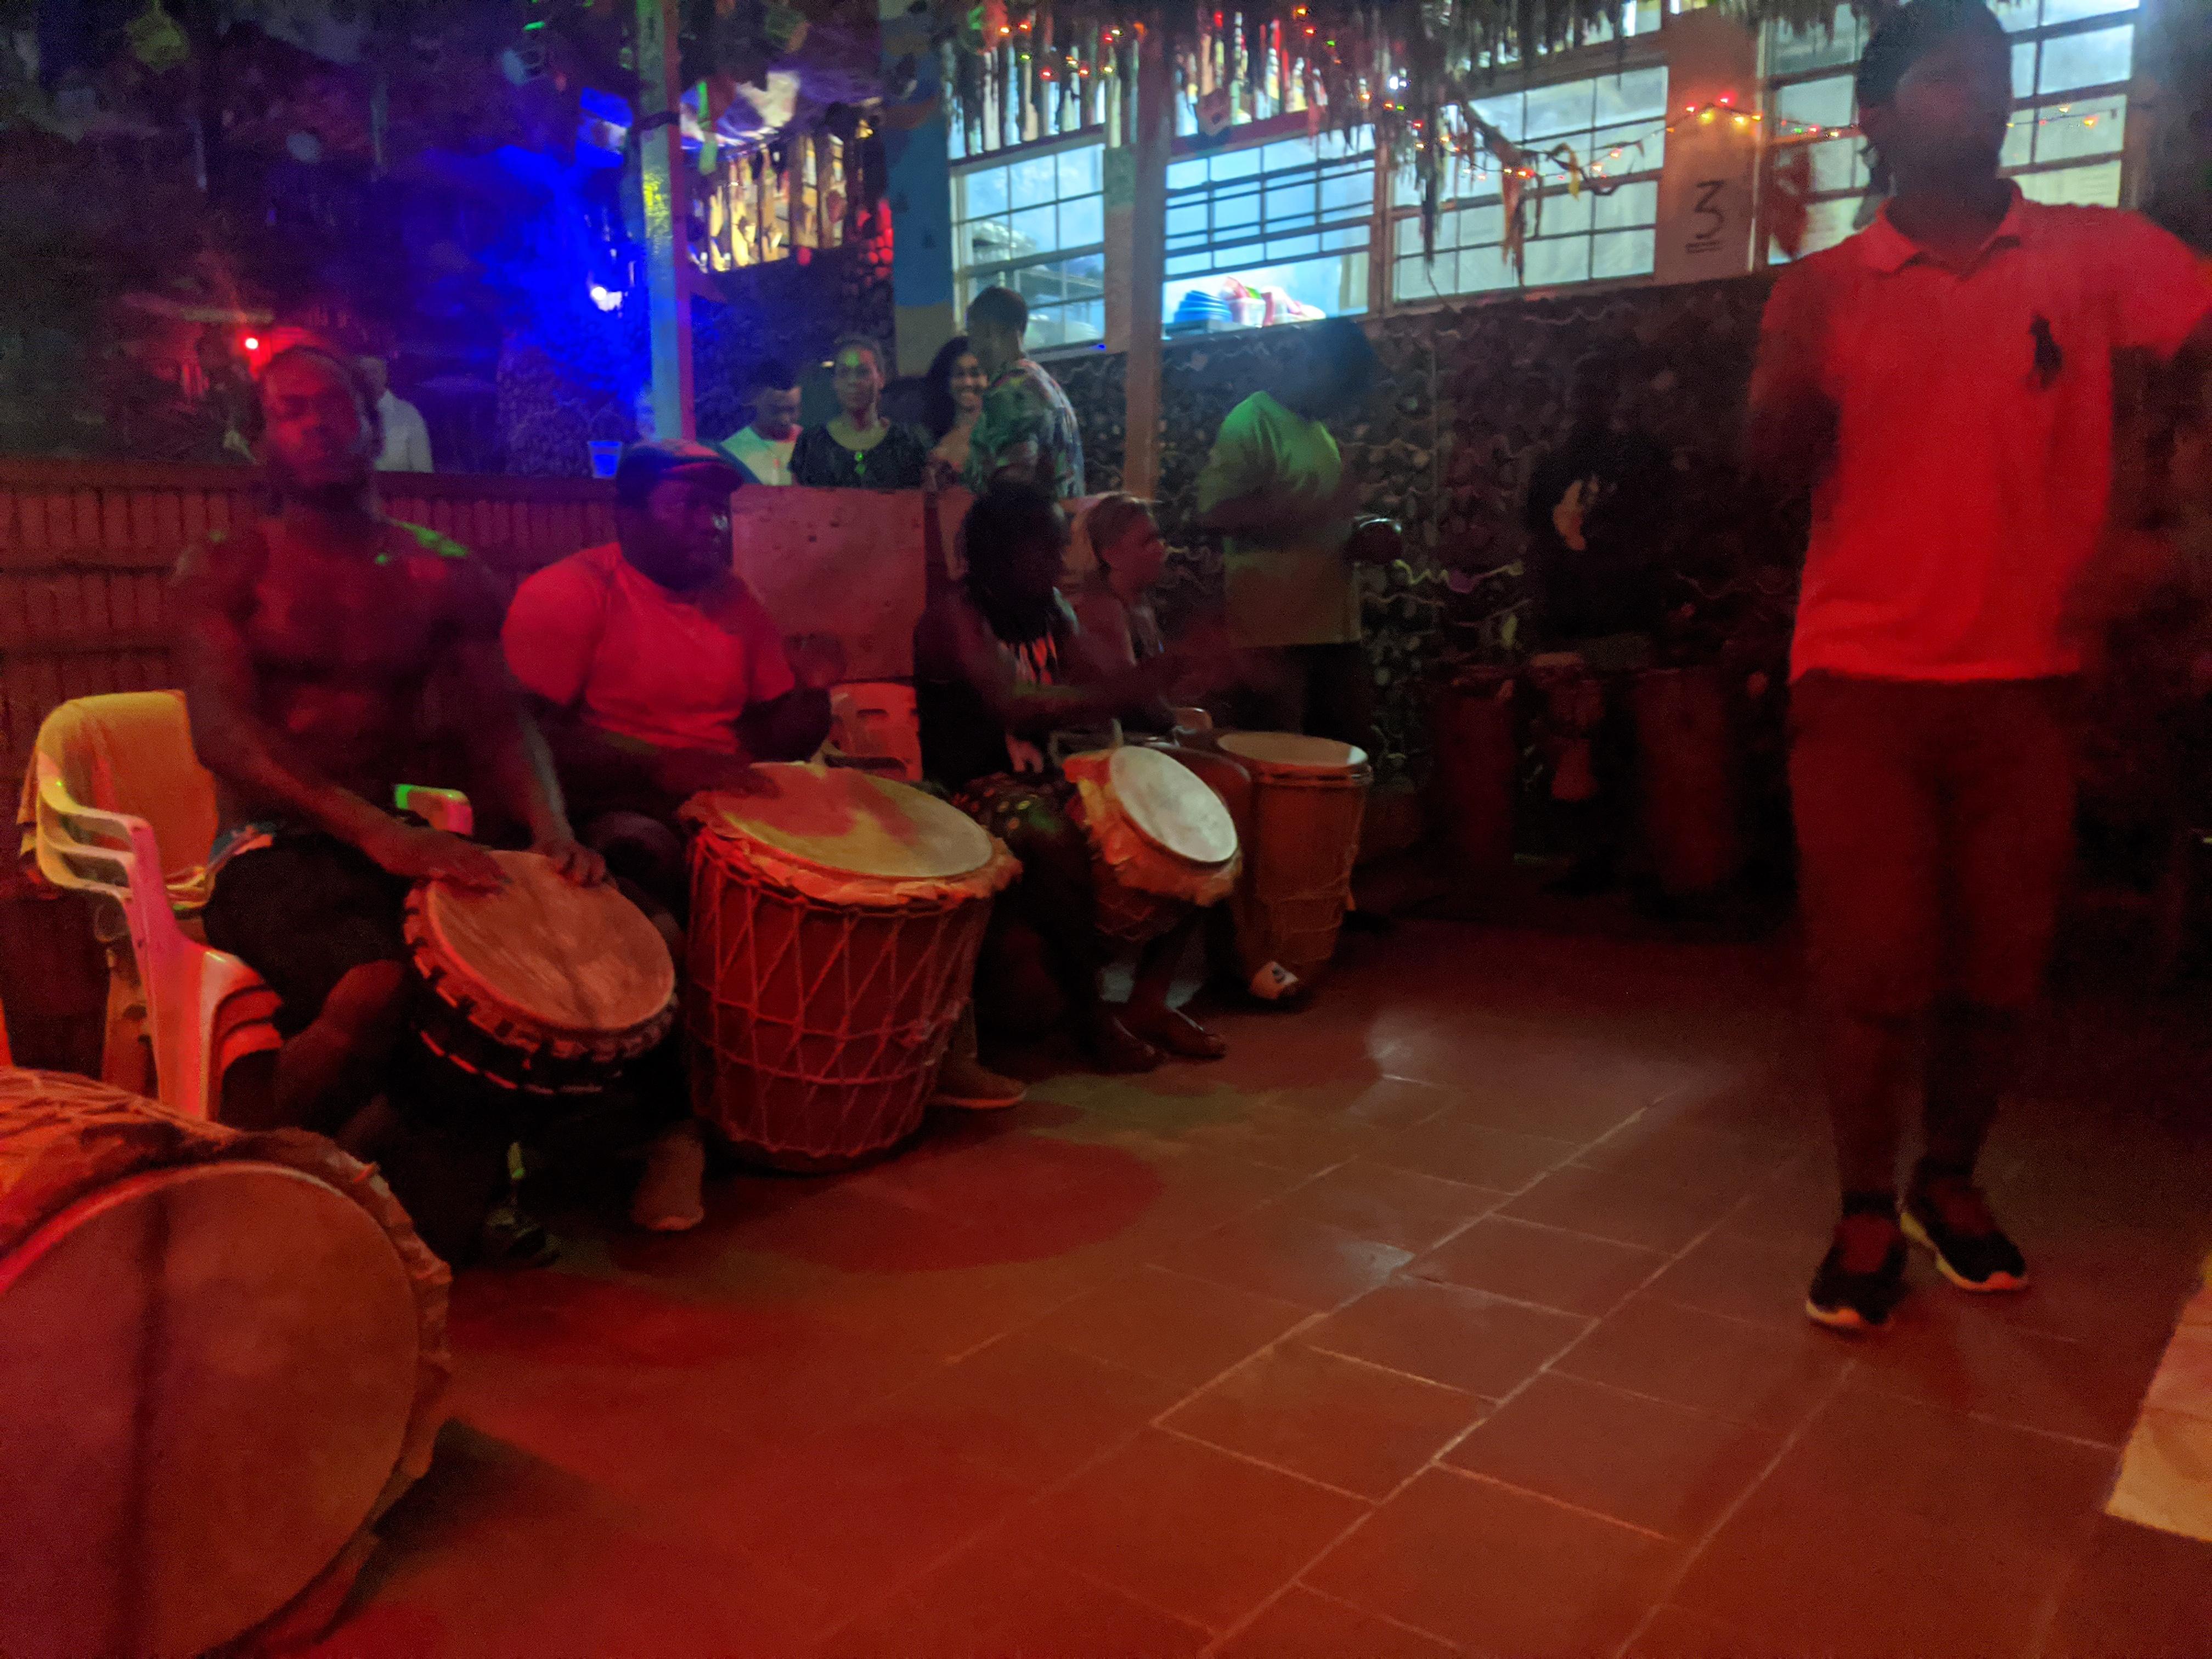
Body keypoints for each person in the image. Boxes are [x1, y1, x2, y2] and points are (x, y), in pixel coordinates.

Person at [1747, 0, 2212, 1333]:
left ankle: (1951, 1183)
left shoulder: (2095, 254)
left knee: (2001, 970)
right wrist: (1780, 377)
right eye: (1953, 80)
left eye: (1998, 77)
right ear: (1878, 118)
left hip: (2029, 680)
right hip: (1861, 680)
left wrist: (2179, 530)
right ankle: (1860, 1201)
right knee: (1874, 965)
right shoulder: (1826, 286)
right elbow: (1771, 476)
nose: (1990, 98)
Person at [173, 340, 603, 1257]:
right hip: (268, 846)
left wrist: (551, 828)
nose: (318, 422)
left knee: (519, 973)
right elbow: (224, 736)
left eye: (336, 404)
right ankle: (247, 1182)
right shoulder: (224, 565)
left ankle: (421, 1175)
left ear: (376, 426)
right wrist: (373, 830)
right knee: (372, 982)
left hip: (392, 837)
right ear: (261, 443)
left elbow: (499, 722)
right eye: (292, 410)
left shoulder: (438, 570)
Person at [916, 481, 1225, 1073]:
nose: (1060, 567)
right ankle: (1091, 1013)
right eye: (1048, 553)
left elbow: (1106, 687)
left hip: (1046, 781)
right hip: (969, 792)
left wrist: (1176, 668)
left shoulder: (1051, 610)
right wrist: (1137, 681)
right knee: (1048, 834)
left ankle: (1149, 1001)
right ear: (1003, 553)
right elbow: (1015, 702)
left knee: (1194, 806)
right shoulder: (955, 615)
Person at [1194, 316, 1380, 748]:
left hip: (1332, 633)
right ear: (1319, 367)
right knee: (1278, 768)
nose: (1343, 405)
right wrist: (1315, 514)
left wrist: (1359, 538)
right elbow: (1216, 515)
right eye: (1342, 389)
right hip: (1273, 642)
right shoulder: (1251, 422)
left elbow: (1323, 523)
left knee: (1339, 763)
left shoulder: (1319, 432)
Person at [962, 286, 1086, 500]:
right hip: (1057, 527)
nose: (971, 347)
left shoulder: (1009, 391)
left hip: (1029, 530)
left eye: (972, 334)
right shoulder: (1044, 382)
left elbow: (1012, 487)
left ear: (989, 332)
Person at [790, 337, 931, 489]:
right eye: (844, 373)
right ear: (835, 382)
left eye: (863, 372)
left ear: (881, 379)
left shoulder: (906, 442)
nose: (853, 381)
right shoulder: (811, 444)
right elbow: (799, 505)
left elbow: (924, 503)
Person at [1071, 493, 1168, 668]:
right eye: (1148, 542)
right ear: (1112, 556)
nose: (1160, 549)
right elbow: (1130, 689)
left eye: (1157, 538)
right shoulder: (1104, 612)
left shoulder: (1138, 603)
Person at [716, 358, 802, 487]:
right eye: (775, 410)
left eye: (792, 410)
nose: (785, 420)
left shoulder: (812, 444)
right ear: (753, 399)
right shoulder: (731, 452)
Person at [922, 334, 990, 491]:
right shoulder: (928, 436)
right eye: (959, 374)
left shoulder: (999, 433)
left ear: (989, 379)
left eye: (975, 374)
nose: (967, 383)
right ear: (946, 382)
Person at [357, 356, 433, 473]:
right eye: (363, 373)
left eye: (374, 371)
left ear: (385, 374)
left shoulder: (408, 414)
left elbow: (423, 471)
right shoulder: (348, 413)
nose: (369, 378)